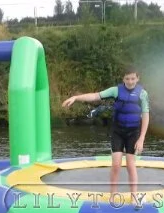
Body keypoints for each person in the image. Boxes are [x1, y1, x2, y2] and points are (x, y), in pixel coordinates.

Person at [61, 66, 150, 194]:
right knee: (116, 164)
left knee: (131, 165)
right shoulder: (116, 91)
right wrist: (76, 97)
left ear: (137, 78)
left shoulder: (143, 94)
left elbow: (146, 115)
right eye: (127, 78)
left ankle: (134, 195)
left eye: (133, 78)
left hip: (133, 132)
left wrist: (141, 138)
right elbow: (95, 96)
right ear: (123, 79)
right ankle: (113, 194)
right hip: (117, 131)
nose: (130, 81)